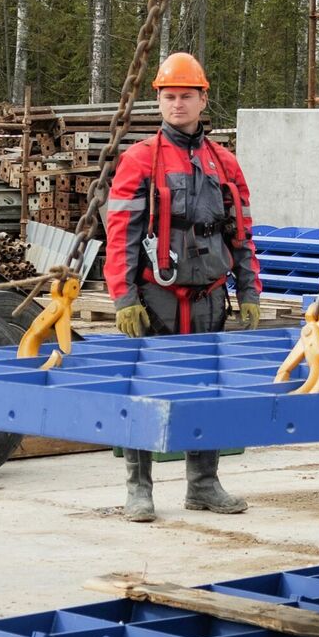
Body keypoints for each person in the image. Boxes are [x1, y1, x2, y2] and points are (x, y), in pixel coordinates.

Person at [104, 51, 262, 522]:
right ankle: (139, 488)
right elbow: (121, 234)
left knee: (206, 390)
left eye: (186, 96)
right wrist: (123, 297)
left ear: (202, 99)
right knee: (146, 391)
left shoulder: (224, 163)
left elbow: (242, 233)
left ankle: (204, 485)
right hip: (156, 298)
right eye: (169, 97)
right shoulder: (139, 160)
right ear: (159, 101)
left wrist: (250, 290)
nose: (177, 104)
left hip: (210, 297)